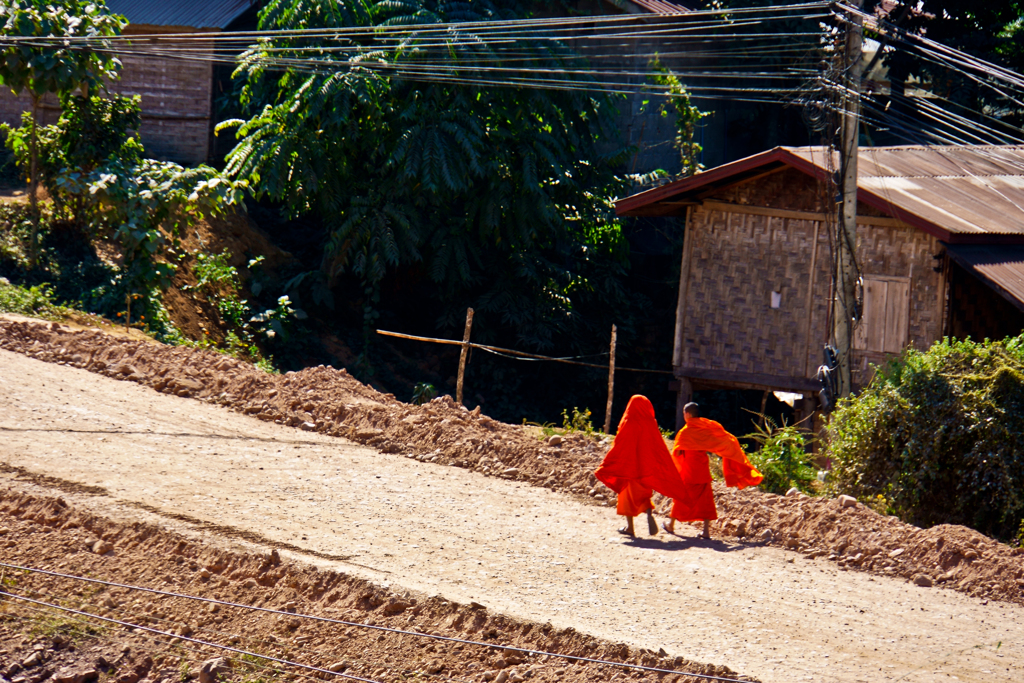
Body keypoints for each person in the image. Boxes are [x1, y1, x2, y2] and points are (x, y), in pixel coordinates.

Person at [595, 395, 691, 537]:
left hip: (629, 468)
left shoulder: (628, 422)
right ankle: (648, 513)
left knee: (627, 497)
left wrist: (609, 463)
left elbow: (619, 444)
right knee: (643, 495)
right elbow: (658, 448)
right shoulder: (650, 424)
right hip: (646, 469)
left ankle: (630, 527)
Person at [664, 402, 763, 539]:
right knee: (706, 500)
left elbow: (678, 453)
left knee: (682, 497)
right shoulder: (705, 428)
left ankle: (671, 524)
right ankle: (706, 531)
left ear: (687, 414)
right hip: (702, 469)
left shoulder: (685, 432)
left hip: (689, 471)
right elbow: (718, 441)